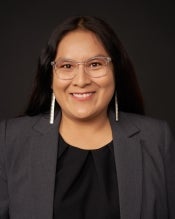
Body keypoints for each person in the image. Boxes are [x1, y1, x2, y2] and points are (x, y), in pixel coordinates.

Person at [0, 15, 175, 219]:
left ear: (115, 71)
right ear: (50, 76)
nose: (81, 81)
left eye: (95, 64)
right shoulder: (9, 139)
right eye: (67, 66)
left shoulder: (156, 139)